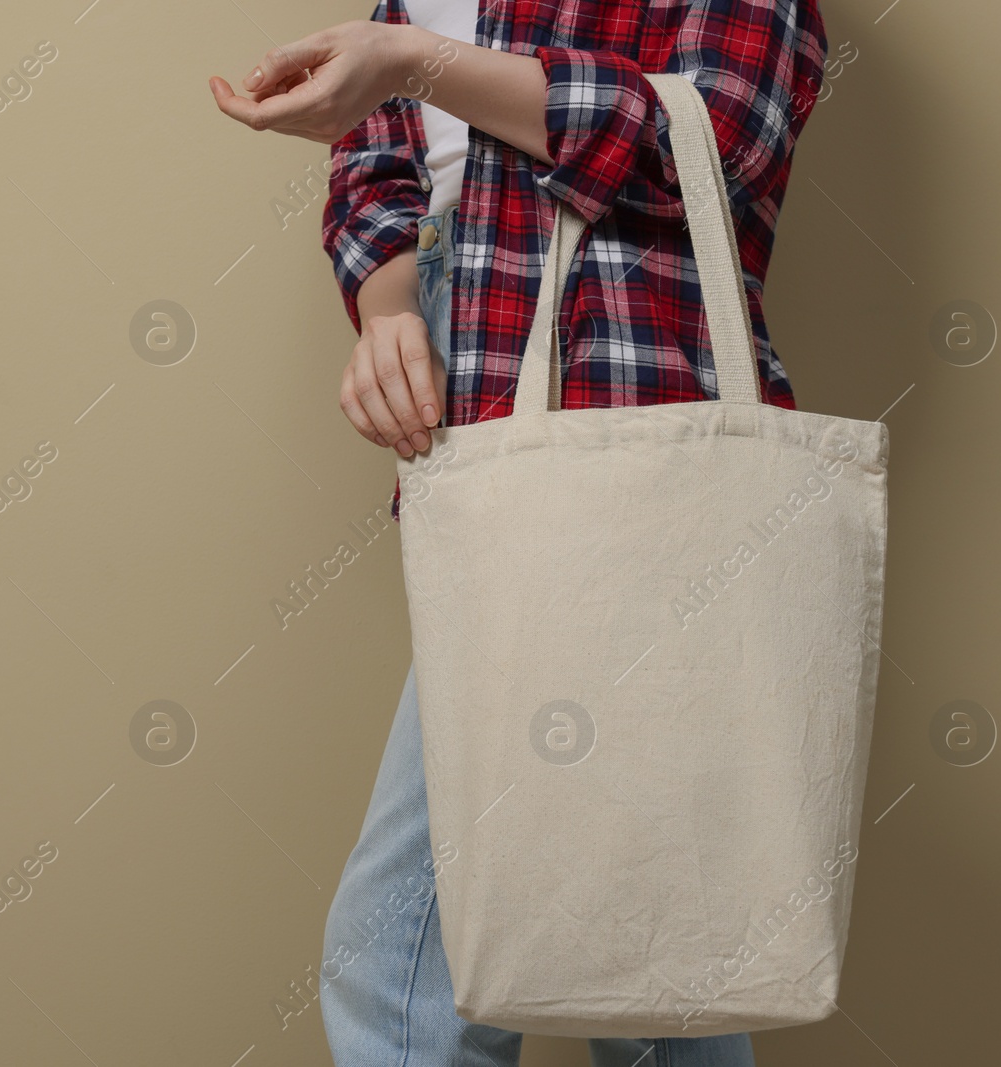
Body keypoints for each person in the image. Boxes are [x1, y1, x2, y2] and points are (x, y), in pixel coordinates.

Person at [210, 1, 827, 1062]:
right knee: (653, 942)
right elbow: (377, 161)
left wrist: (418, 61)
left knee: (421, 959)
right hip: (474, 400)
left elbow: (713, 146)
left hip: (627, 420)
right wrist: (393, 308)